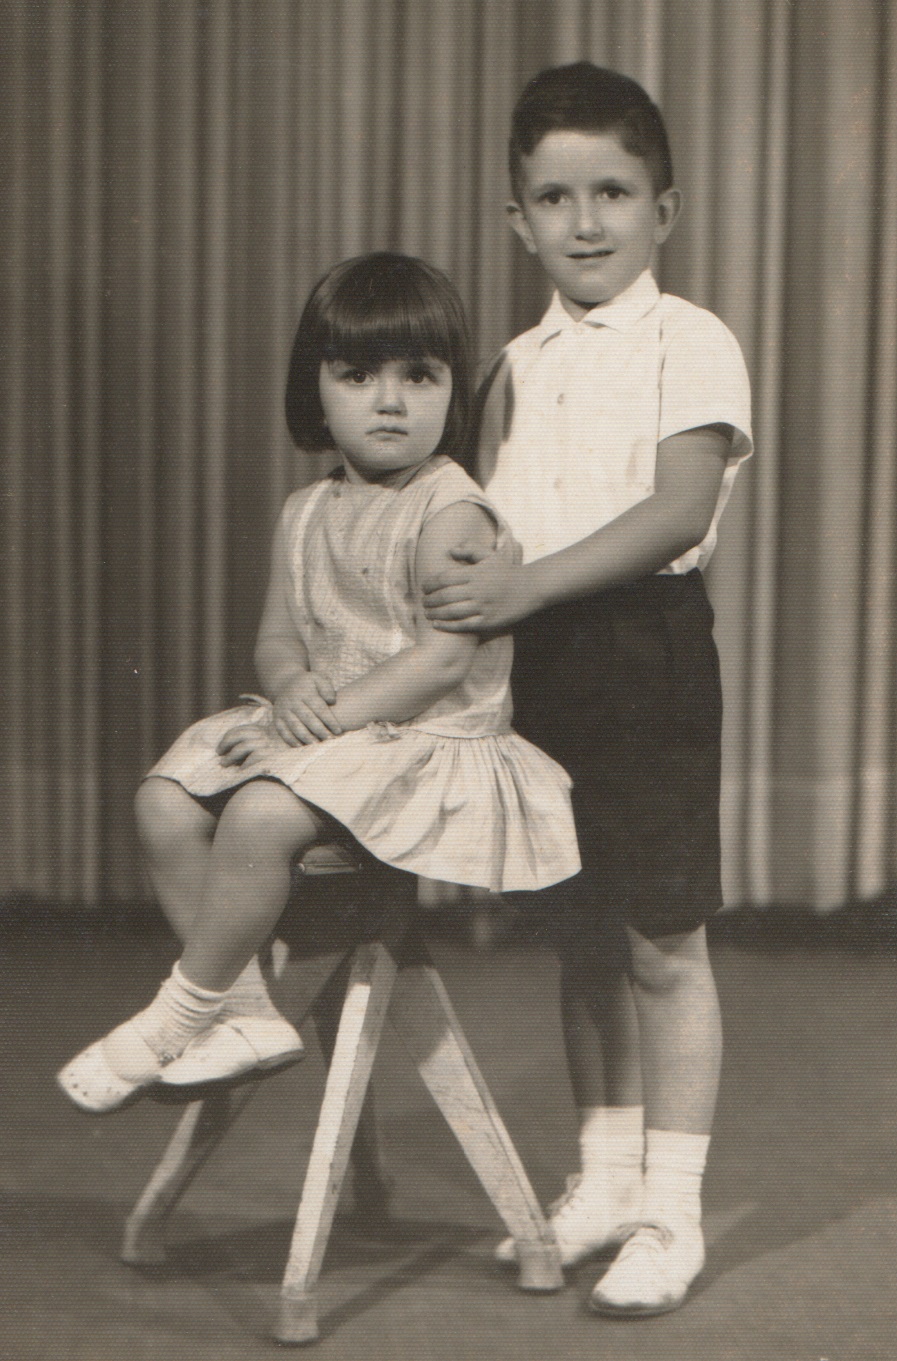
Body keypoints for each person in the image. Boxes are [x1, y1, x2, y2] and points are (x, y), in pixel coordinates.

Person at [58, 252, 580, 1115]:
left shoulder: (450, 509)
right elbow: (276, 632)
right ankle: (246, 1011)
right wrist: (291, 682)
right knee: (163, 799)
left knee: (262, 812)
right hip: (333, 730)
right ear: (317, 388)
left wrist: (320, 719)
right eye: (357, 374)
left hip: (426, 740)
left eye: (419, 374)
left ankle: (176, 1013)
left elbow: (442, 662)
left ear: (454, 389)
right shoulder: (305, 511)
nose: (389, 399)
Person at [422, 63, 753, 1317]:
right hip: (540, 661)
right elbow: (484, 525)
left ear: (662, 209)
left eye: (613, 191)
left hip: (644, 650)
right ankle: (606, 1176)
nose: (586, 220)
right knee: (579, 935)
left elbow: (677, 507)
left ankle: (673, 1206)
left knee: (663, 937)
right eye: (555, 198)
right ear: (518, 220)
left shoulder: (691, 339)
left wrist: (526, 585)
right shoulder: (508, 364)